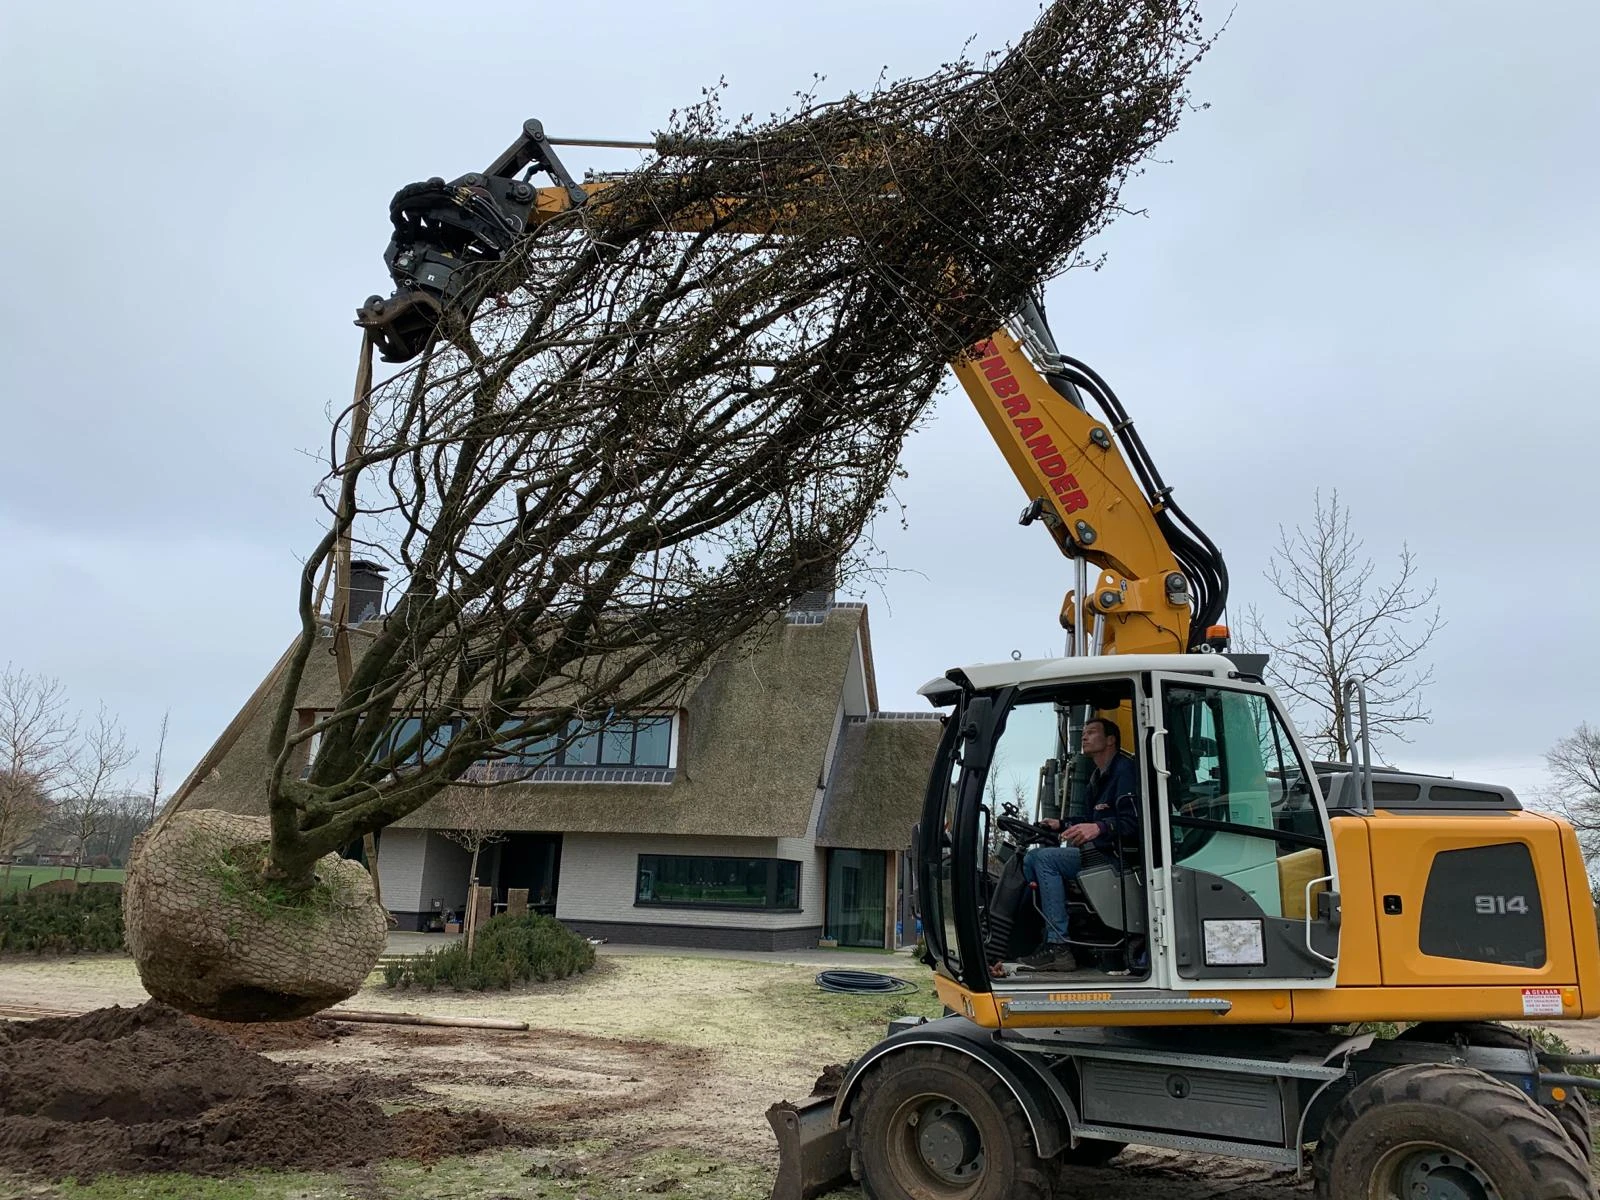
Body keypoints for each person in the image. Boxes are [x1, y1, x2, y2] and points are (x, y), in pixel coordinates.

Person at [1018, 717, 1140, 973]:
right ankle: (1050, 935)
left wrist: (1102, 828)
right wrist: (1060, 824)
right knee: (1029, 859)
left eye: (1092, 732)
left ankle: (1059, 947)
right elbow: (1087, 821)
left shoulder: (1126, 773)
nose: (1084, 737)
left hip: (1116, 857)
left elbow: (1136, 822)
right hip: (1096, 853)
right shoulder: (1097, 777)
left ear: (1111, 740)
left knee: (1044, 859)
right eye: (1083, 732)